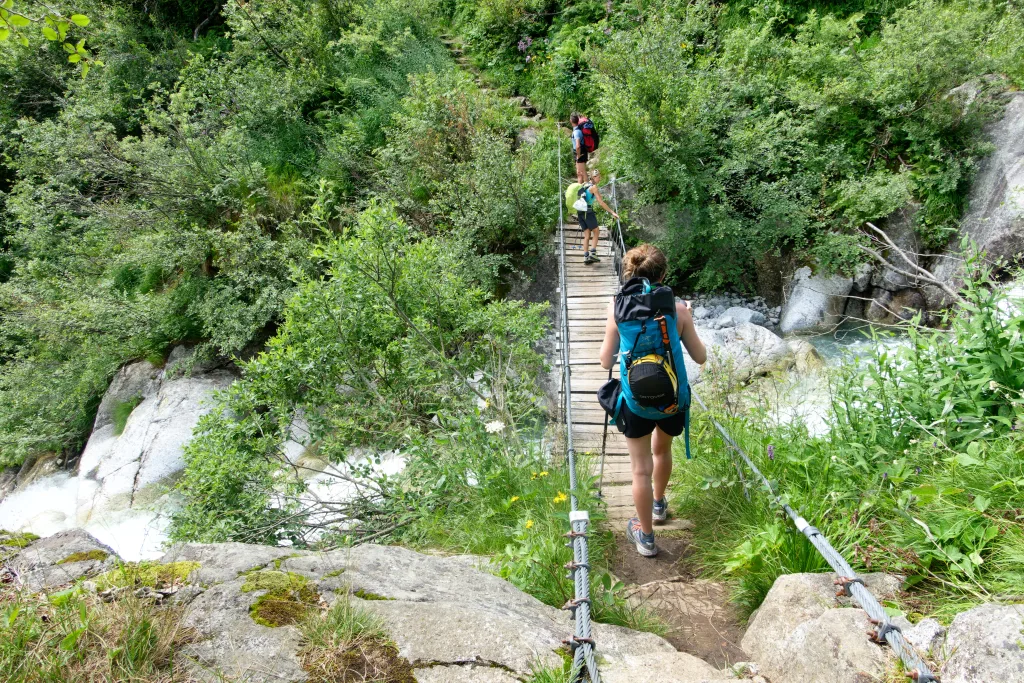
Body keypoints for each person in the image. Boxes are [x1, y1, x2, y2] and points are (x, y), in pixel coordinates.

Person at [598, 244, 706, 557]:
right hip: (674, 398)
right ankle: (659, 505)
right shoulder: (678, 309)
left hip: (636, 401)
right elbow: (700, 356)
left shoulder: (616, 309)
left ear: (629, 272)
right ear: (663, 274)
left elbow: (606, 362)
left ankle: (645, 537)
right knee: (663, 449)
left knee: (639, 470)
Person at [578, 170, 618, 265]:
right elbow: (601, 202)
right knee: (596, 231)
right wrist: (612, 212)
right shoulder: (594, 187)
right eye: (598, 177)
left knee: (587, 235)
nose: (599, 178)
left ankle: (586, 256)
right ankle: (593, 253)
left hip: (580, 212)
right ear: (593, 177)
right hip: (588, 212)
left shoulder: (585, 184)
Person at [570, 113, 587, 184]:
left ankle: (586, 191)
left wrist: (578, 155)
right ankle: (581, 190)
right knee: (580, 173)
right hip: (580, 151)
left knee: (581, 173)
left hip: (579, 152)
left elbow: (577, 146)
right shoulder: (578, 130)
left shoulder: (576, 132)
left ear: (571, 121)